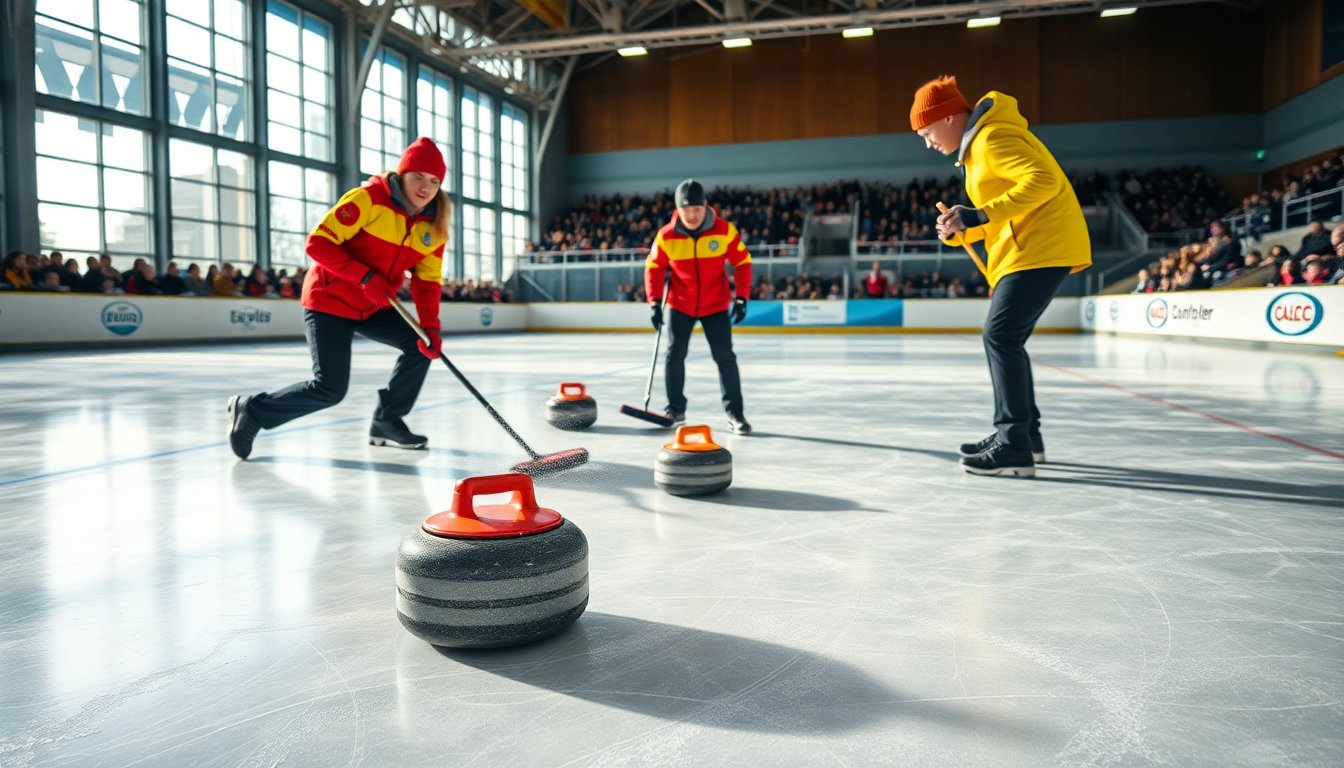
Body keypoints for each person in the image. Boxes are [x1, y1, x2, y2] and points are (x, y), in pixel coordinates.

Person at [226, 137, 450, 459]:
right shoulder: (367, 200)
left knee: (419, 346)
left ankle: (387, 421)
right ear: (402, 173)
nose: (426, 187)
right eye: (418, 176)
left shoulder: (434, 226)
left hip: (371, 305)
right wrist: (365, 276)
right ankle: (253, 410)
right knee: (329, 389)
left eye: (434, 181)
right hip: (329, 300)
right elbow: (318, 243)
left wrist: (430, 326)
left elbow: (427, 282)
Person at [912, 75, 1091, 477]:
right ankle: (1025, 436)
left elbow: (1043, 181)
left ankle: (1014, 444)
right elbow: (1000, 213)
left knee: (1001, 336)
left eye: (927, 132)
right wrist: (965, 228)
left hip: (1041, 247)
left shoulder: (992, 140)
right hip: (1028, 249)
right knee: (1007, 337)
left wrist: (977, 214)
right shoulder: (979, 150)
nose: (927, 142)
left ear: (947, 117)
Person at [644, 178, 753, 435]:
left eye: (696, 209)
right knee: (674, 355)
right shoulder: (666, 236)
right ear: (677, 210)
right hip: (680, 304)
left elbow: (743, 262)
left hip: (715, 304)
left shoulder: (724, 230)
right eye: (686, 210)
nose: (692, 215)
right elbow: (654, 267)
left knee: (725, 357)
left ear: (705, 206)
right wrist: (654, 302)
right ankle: (675, 409)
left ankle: (735, 413)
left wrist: (742, 297)